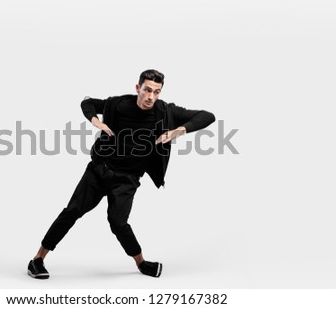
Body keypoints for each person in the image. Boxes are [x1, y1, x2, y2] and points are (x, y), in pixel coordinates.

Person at [28, 69, 215, 279]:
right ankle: (37, 259)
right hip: (99, 171)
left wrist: (177, 131)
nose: (150, 96)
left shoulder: (165, 111)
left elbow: (208, 116)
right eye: (147, 90)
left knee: (118, 223)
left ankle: (142, 263)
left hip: (127, 180)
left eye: (156, 92)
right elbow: (87, 103)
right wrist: (96, 121)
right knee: (72, 212)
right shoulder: (118, 104)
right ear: (138, 88)